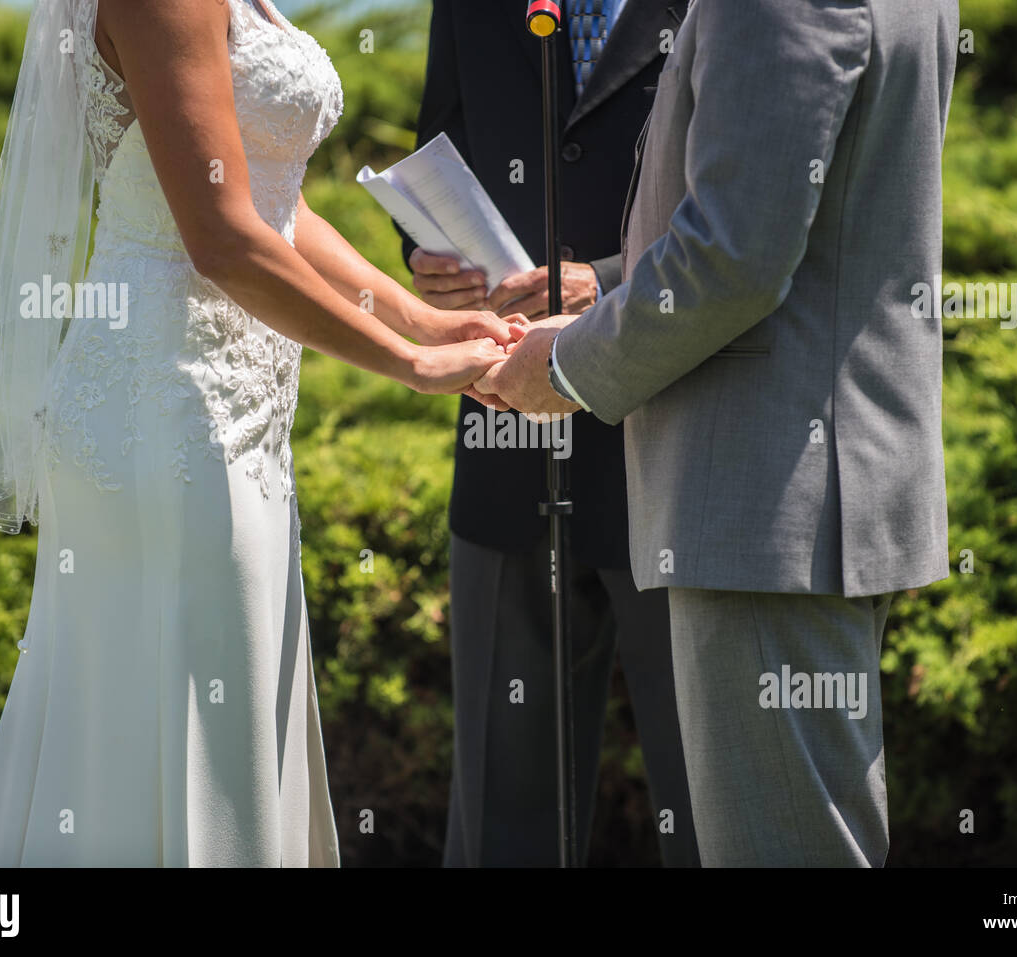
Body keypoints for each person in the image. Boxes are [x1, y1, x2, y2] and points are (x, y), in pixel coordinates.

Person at [0, 0, 513, 867]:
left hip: (239, 417)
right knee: (188, 719)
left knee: (233, 706)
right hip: (162, 409)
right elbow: (221, 238)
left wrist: (422, 319)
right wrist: (409, 363)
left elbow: (270, 204)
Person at [476, 0, 959, 866]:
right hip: (812, 488)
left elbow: (733, 258)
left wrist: (563, 370)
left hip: (768, 499)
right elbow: (811, 214)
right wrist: (611, 288)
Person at [405, 0, 700, 866]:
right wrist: (429, 257)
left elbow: (738, 210)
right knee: (504, 819)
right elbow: (442, 143)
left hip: (670, 434)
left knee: (710, 806)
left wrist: (607, 281)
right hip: (504, 440)